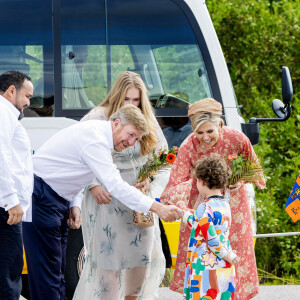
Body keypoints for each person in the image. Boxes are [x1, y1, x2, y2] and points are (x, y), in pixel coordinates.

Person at [22, 104, 183, 300]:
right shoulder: (96, 141)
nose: (132, 143)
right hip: (42, 197)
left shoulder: (99, 137)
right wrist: (157, 207)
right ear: (116, 123)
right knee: (47, 273)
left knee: (57, 270)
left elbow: (72, 169)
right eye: (131, 134)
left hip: (55, 198)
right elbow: (115, 186)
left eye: (137, 139)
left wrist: (73, 202)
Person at [73, 71, 168, 300]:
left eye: (136, 100)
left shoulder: (146, 119)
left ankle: (133, 297)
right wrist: (93, 185)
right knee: (109, 255)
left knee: (142, 254)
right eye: (127, 99)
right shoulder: (98, 116)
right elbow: (79, 152)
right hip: (107, 196)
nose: (132, 104)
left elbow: (162, 156)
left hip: (138, 197)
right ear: (118, 96)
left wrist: (150, 179)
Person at [160, 98, 266, 300]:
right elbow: (174, 184)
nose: (205, 137)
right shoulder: (188, 146)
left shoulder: (237, 138)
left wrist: (240, 180)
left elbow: (254, 169)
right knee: (203, 253)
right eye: (199, 132)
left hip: (233, 208)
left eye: (210, 131)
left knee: (234, 255)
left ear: (220, 124)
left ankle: (233, 295)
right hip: (200, 205)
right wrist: (184, 207)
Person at [182, 154, 239, 300]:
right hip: (223, 260)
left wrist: (227, 255)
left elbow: (210, 237)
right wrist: (183, 214)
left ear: (201, 182)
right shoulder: (225, 205)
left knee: (205, 294)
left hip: (206, 261)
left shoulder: (204, 207)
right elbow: (201, 225)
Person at [0, 70, 34, 300]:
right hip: (5, 209)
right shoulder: (4, 111)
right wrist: (11, 201)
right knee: (9, 273)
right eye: (27, 96)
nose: (28, 103)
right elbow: (1, 157)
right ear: (12, 90)